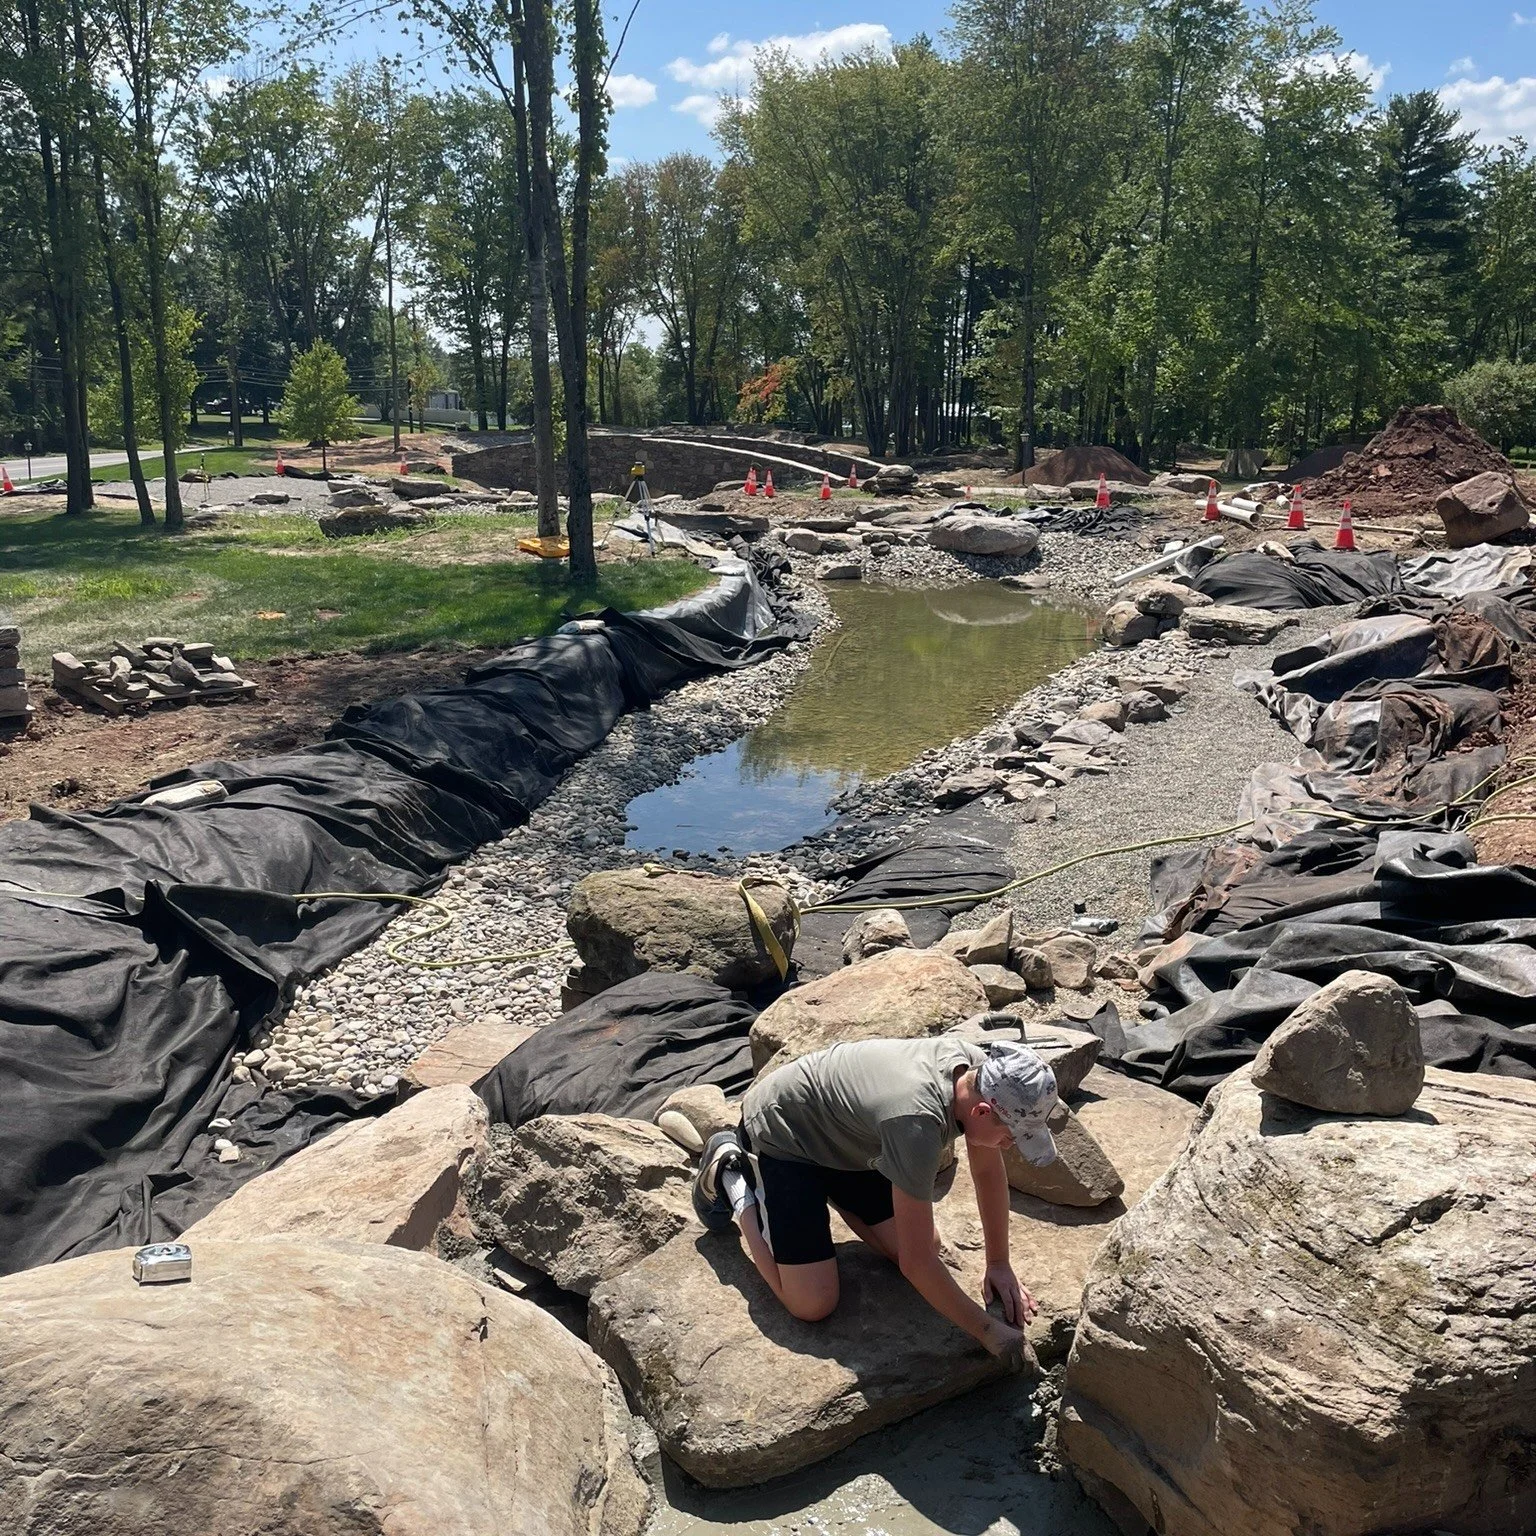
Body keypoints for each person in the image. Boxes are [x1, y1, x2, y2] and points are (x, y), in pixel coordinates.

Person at [692, 1035, 1059, 1366]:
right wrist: (987, 1331)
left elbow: (988, 1173)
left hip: (846, 1139)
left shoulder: (982, 1075)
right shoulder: (917, 1124)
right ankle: (733, 1176)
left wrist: (998, 1263)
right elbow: (917, 1265)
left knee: (924, 1243)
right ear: (981, 1112)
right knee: (812, 1302)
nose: (1010, 1145)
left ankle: (827, 1192)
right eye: (1011, 1136)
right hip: (784, 1133)